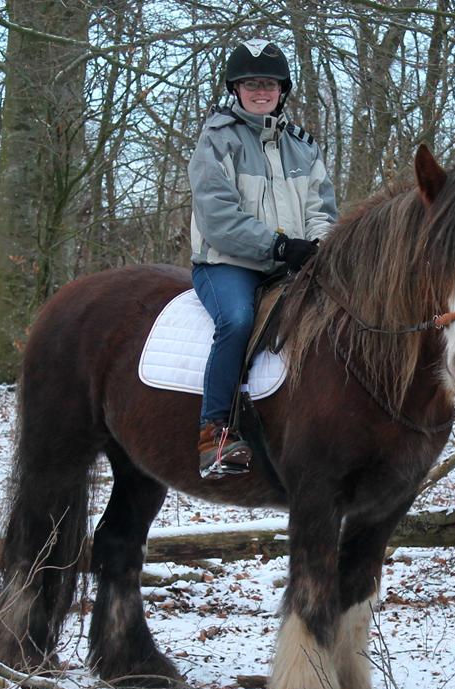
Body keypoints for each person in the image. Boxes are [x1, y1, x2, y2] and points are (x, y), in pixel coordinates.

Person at [188, 38, 338, 479]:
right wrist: (276, 245)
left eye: (269, 84)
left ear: (282, 90)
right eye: (251, 83)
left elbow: (321, 210)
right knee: (235, 320)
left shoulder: (303, 147)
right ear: (236, 89)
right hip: (227, 264)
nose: (261, 91)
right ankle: (213, 432)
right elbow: (217, 216)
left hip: (292, 264)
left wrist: (319, 250)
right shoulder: (217, 140)